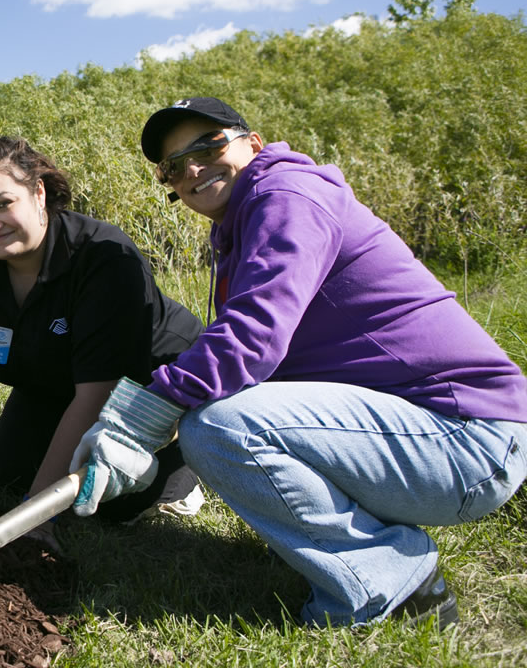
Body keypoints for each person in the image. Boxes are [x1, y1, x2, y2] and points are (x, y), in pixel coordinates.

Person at [71, 97, 527, 629]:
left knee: (221, 427)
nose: (191, 167)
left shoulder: (288, 196)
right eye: (173, 166)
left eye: (207, 145)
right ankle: (345, 545)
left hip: (466, 437)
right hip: (422, 431)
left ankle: (393, 585)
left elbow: (252, 337)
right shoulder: (245, 225)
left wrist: (136, 420)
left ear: (253, 144)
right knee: (225, 414)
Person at [0, 136, 206, 525]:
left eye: (3, 204)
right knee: (10, 474)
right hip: (56, 379)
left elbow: (99, 392)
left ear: (38, 193)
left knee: (102, 506)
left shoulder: (103, 257)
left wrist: (35, 512)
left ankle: (182, 468)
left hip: (145, 382)